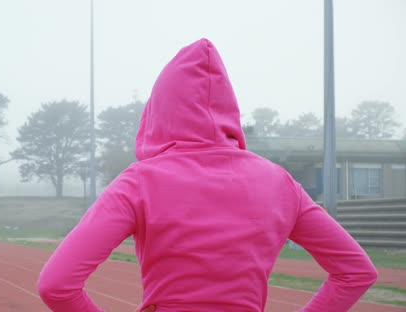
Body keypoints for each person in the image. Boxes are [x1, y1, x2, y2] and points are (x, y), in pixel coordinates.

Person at [37, 38, 377, 311]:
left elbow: (56, 286)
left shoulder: (139, 182)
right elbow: (356, 273)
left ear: (158, 111)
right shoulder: (279, 182)